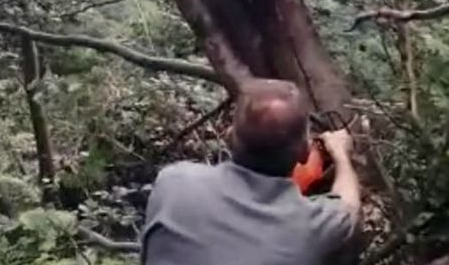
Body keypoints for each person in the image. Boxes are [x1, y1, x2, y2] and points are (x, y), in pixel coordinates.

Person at [141, 78, 362, 265]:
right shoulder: (313, 227)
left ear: (228, 136)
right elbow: (350, 207)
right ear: (304, 154)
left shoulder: (174, 182)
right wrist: (341, 154)